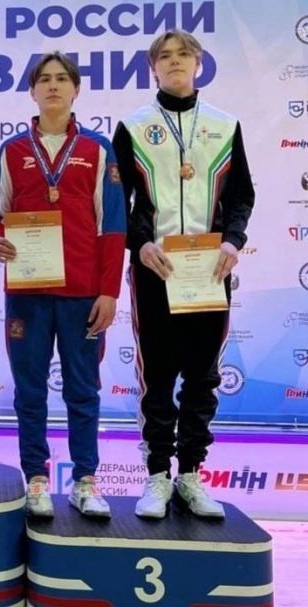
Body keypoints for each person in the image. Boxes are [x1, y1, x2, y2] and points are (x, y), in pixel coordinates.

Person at [112, 30, 254, 519]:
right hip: (156, 268)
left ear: (198, 63)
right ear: (153, 68)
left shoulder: (224, 125)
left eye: (183, 54)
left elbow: (241, 195)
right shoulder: (133, 127)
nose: (174, 62)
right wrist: (141, 244)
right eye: (164, 56)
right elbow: (120, 203)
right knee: (157, 374)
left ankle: (191, 473)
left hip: (210, 269)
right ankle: (157, 475)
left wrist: (233, 241)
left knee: (202, 374)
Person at [0, 52, 126, 518]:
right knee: (30, 390)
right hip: (27, 293)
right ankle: (36, 480)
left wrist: (109, 291)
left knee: (83, 390)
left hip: (83, 294)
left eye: (62, 79)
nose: (52, 86)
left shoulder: (98, 148)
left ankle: (86, 480)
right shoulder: (12, 150)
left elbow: (113, 225)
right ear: (32, 91)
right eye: (43, 79)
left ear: (76, 89)